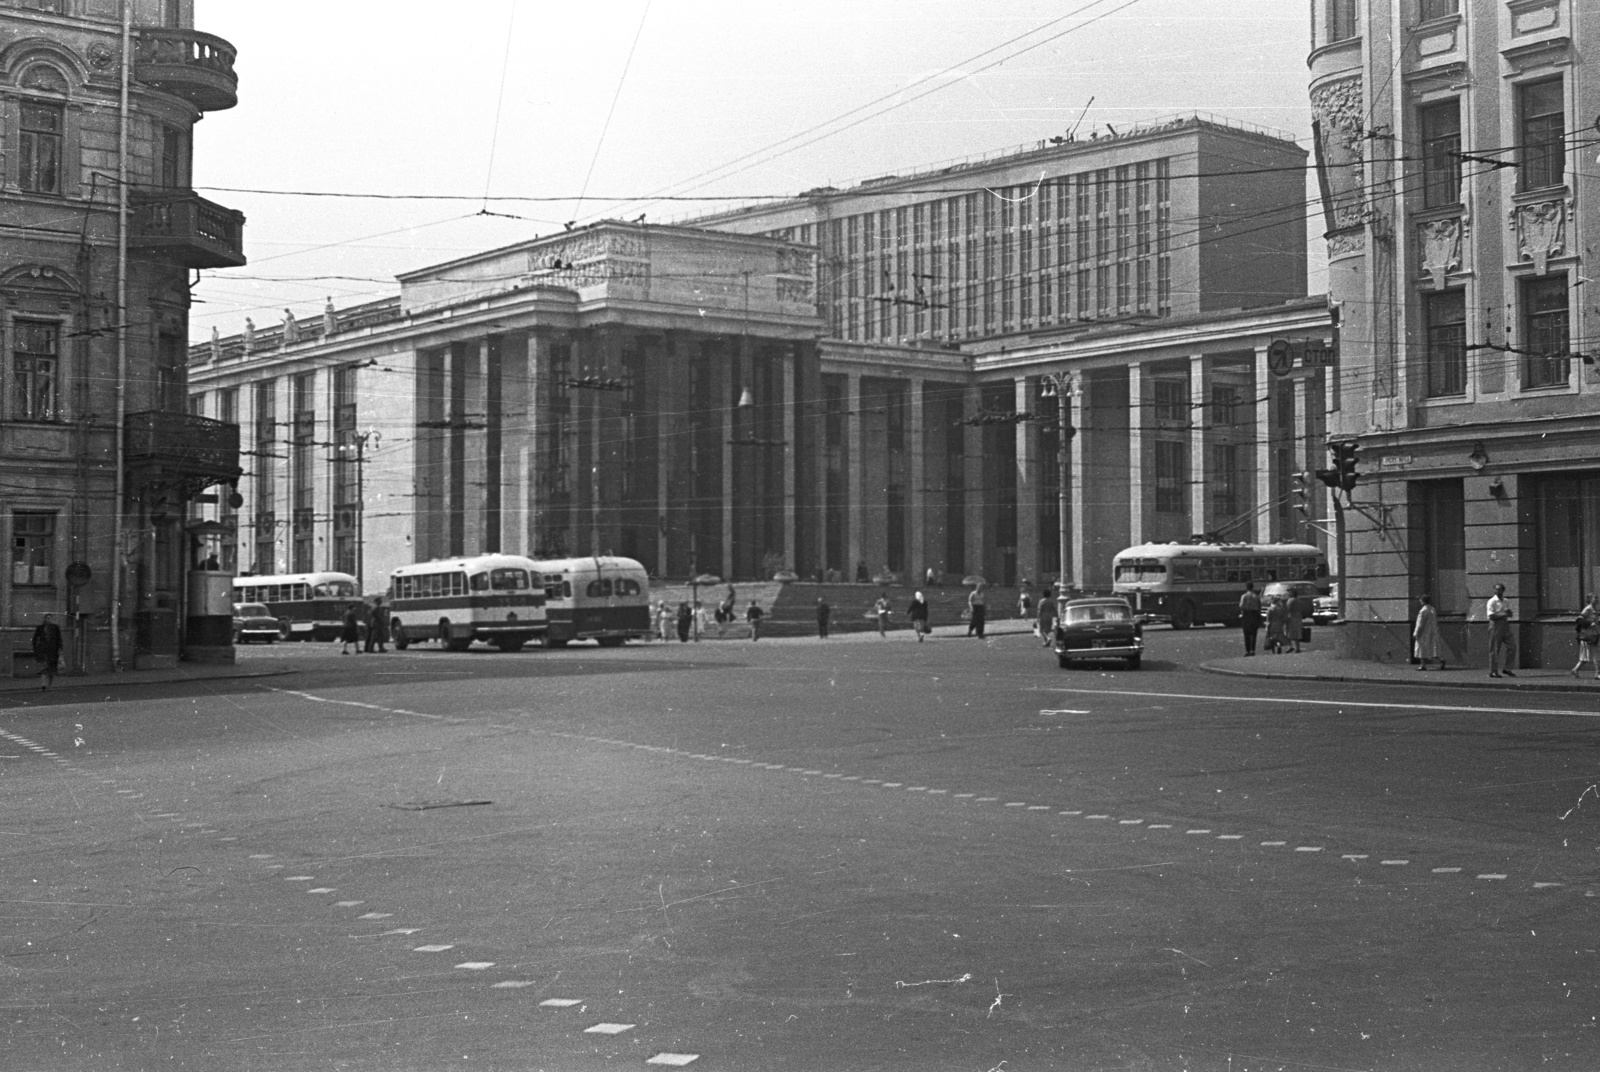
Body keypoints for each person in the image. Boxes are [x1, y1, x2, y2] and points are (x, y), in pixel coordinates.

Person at [1487, 582, 1515, 677]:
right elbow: (1491, 615)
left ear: (1503, 590)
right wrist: (1503, 614)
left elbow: (1509, 613)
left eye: (1500, 589)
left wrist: (1508, 613)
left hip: (1505, 625)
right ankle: (1493, 671)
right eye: (1496, 589)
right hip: (1495, 626)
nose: (1498, 591)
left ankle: (1508, 668)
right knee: (1495, 649)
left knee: (1512, 647)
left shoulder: (1506, 601)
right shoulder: (1492, 601)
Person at [1413, 594, 1444, 671]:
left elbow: (1420, 624)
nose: (1420, 601)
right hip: (1432, 631)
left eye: (1421, 600)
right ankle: (1441, 660)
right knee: (1433, 648)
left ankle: (1423, 665)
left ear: (1423, 601)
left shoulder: (1423, 611)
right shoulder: (1432, 609)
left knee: (1421, 648)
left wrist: (1416, 633)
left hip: (1424, 632)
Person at [31, 613, 62, 691]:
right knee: (44, 667)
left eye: (50, 618)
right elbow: (35, 638)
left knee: (51, 669)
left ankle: (50, 685)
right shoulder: (40, 628)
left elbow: (59, 639)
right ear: (44, 619)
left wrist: (60, 649)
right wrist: (36, 648)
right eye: (47, 618)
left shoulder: (55, 628)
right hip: (43, 651)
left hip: (53, 651)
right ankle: (43, 684)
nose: (49, 620)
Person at [1572, 594, 1600, 679]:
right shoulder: (1588, 609)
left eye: (1597, 598)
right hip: (1588, 635)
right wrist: (1590, 623)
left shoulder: (1595, 609)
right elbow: (1579, 619)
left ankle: (1596, 673)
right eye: (1595, 598)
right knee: (1586, 656)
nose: (1597, 600)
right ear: (1590, 599)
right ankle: (1596, 673)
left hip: (1594, 634)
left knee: (1595, 654)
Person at [1238, 582, 1262, 656]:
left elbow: (1241, 606)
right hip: (1254, 614)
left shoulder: (1244, 596)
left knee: (1246, 634)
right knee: (1253, 633)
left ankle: (1247, 650)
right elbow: (1259, 606)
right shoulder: (1256, 596)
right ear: (1253, 587)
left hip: (1246, 615)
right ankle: (1252, 650)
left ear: (1246, 587)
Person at [1284, 589, 1305, 654]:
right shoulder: (1299, 600)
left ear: (1292, 593)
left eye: (1289, 593)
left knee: (1288, 632)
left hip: (1291, 617)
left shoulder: (1290, 600)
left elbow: (1288, 609)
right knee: (1297, 633)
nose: (1287, 594)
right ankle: (1297, 647)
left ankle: (1290, 646)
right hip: (1298, 617)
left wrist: (1284, 617)